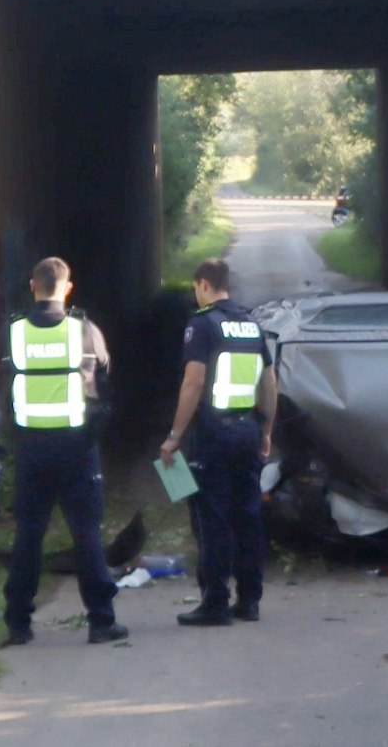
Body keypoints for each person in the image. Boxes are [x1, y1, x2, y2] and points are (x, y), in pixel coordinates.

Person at [0, 257, 126, 646]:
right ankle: (101, 621)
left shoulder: (13, 333)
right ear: (67, 288)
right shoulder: (86, 331)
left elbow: (5, 383)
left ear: (32, 286)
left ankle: (18, 624)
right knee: (86, 534)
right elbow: (104, 381)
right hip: (77, 449)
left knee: (29, 536)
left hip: (31, 449)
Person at [162, 258, 277, 626]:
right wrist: (267, 430)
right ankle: (249, 600)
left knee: (212, 520)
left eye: (196, 289)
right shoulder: (251, 324)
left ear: (203, 285)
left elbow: (194, 383)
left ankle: (215, 603)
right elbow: (270, 383)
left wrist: (175, 436)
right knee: (248, 516)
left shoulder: (202, 325)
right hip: (246, 432)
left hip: (212, 435)